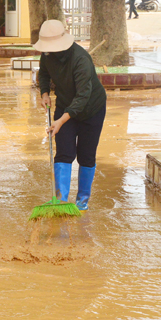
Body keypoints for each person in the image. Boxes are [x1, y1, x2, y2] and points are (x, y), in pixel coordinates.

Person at [34, 20, 107, 211]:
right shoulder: (47, 55)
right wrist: (44, 93)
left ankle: (82, 201)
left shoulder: (81, 59)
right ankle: (61, 200)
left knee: (86, 155)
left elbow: (83, 96)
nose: (48, 50)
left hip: (91, 109)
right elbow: (43, 74)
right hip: (65, 104)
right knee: (64, 153)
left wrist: (60, 121)